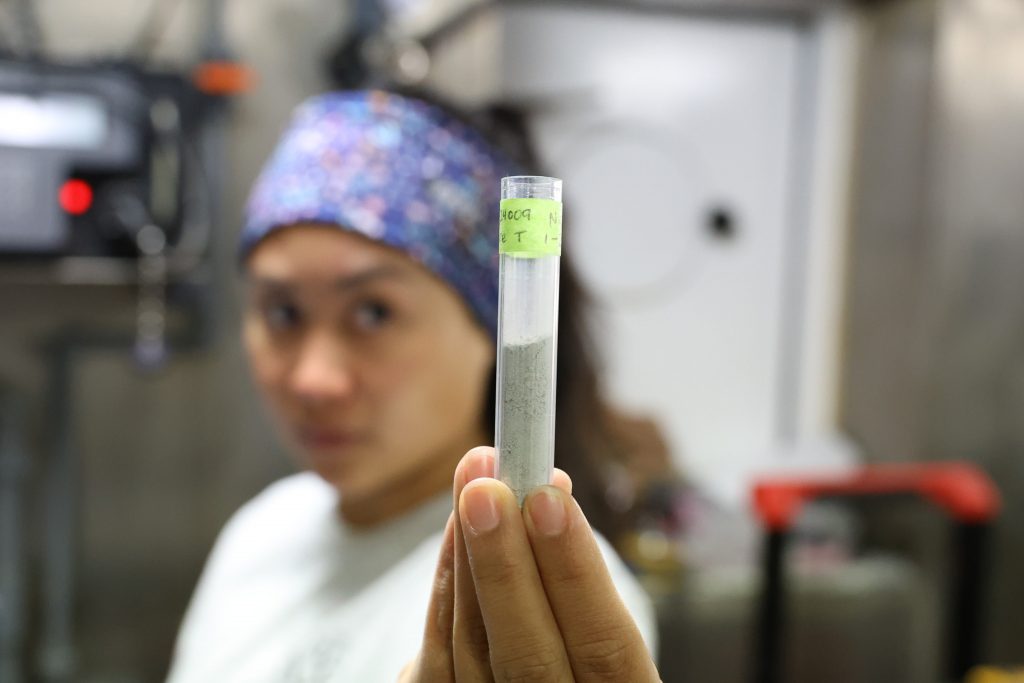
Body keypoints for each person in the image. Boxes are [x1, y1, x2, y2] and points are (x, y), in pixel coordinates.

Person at [166, 89, 664, 682]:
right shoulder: (260, 534)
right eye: (282, 313)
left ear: (494, 326)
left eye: (374, 313)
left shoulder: (541, 587)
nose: (314, 379)